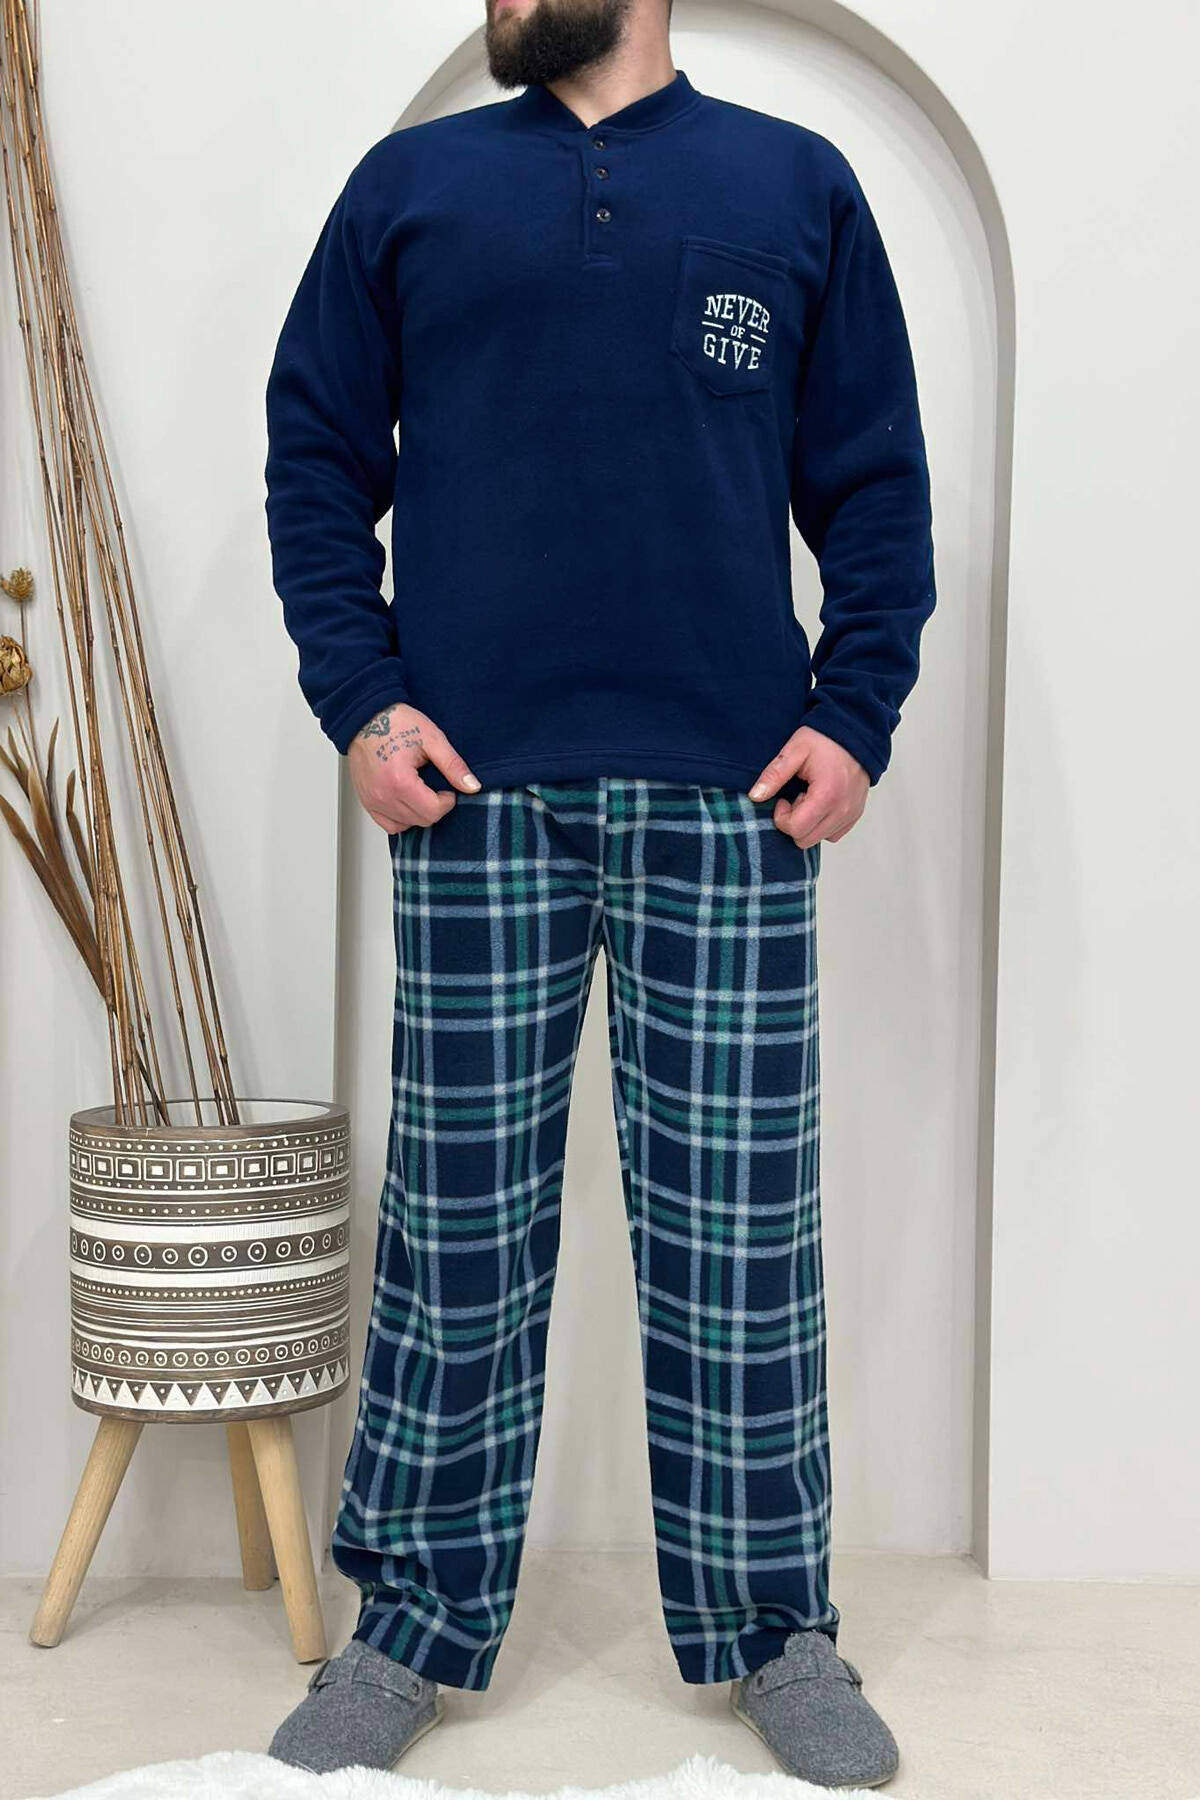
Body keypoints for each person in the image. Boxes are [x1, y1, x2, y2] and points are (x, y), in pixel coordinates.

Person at [262, 0, 935, 1785]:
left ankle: (776, 1630)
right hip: (472, 789)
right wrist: (362, 698)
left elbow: (876, 481)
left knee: (738, 1238)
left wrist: (854, 713)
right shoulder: (410, 190)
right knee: (459, 1230)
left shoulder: (794, 186)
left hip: (735, 794)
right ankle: (411, 1624)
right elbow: (316, 455)